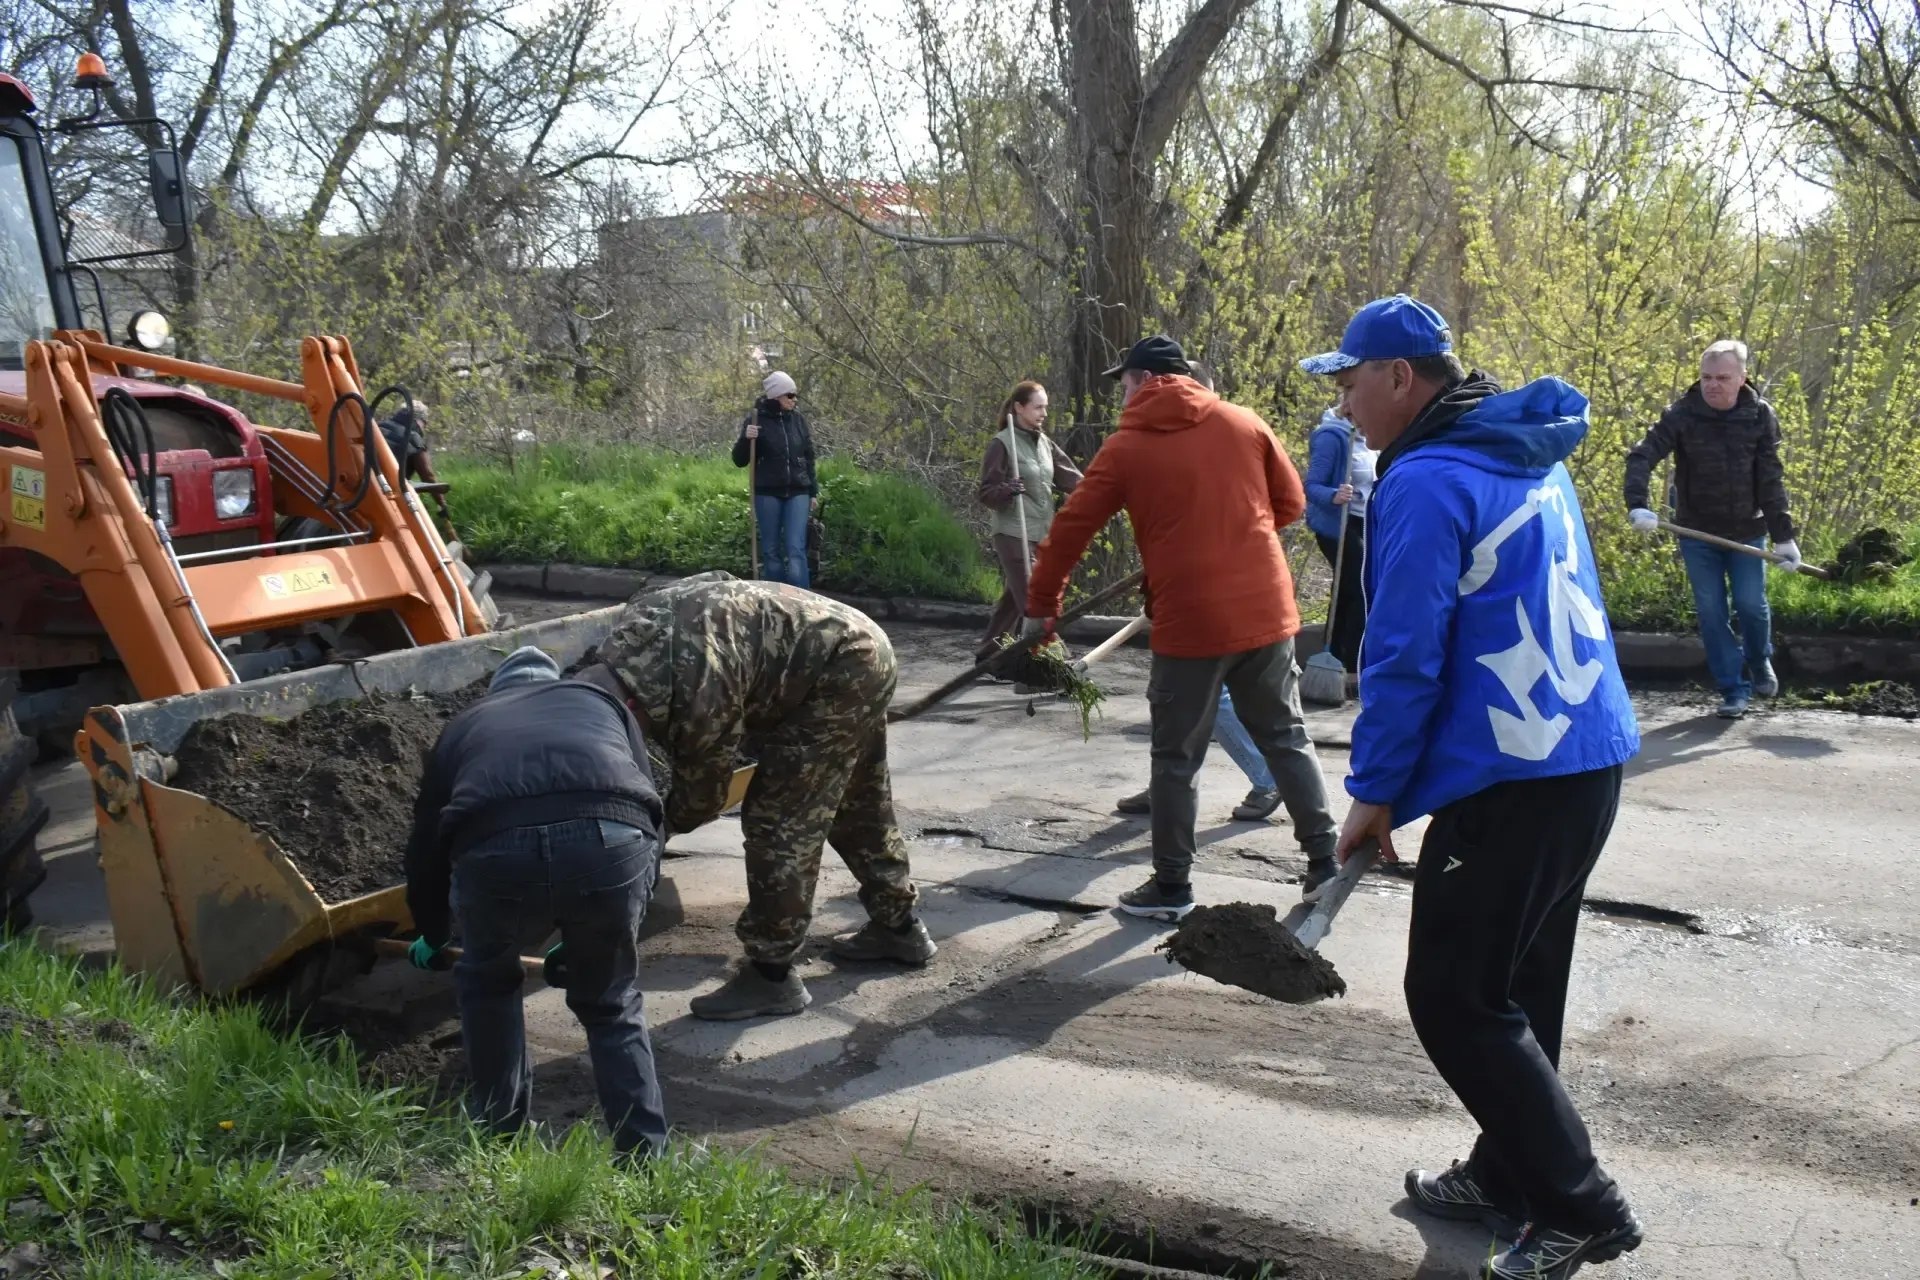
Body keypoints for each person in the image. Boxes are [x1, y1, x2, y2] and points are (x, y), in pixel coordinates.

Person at [1306, 295, 1643, 1279]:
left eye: (1350, 381)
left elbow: (1405, 655)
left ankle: (1582, 1207)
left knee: (1452, 991)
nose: (1341, 405)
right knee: (1519, 982)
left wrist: (1372, 794)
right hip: (1586, 757)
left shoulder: (1424, 478)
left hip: (1518, 777)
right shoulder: (1522, 447)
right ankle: (1508, 1176)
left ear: (1401, 378)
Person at [1024, 335, 1339, 918]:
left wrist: (1043, 608)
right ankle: (1324, 865)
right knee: (1286, 736)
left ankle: (1172, 887)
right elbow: (1291, 504)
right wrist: (1227, 531)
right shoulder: (1244, 423)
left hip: (1192, 620)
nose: (1122, 392)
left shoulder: (1126, 448)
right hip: (1267, 612)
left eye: (1123, 381)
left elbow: (1069, 530)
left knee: (1176, 759)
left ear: (1143, 379)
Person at [581, 571, 934, 1021]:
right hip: (852, 644)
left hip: (837, 669)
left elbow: (706, 793)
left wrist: (656, 827)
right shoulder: (629, 640)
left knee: (780, 820)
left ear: (629, 709)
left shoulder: (696, 686)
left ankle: (771, 975)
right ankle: (899, 928)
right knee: (858, 801)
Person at [404, 645, 668, 1159]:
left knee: (489, 984)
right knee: (611, 1002)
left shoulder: (466, 724)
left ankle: (498, 1141)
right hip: (613, 839)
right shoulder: (599, 700)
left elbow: (426, 848)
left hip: (496, 849)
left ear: (498, 693)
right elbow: (652, 812)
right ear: (554, 682)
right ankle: (644, 1161)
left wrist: (434, 935)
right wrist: (603, 932)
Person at [1109, 362, 1281, 825]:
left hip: (1228, 596)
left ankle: (1267, 778)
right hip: (1195, 591)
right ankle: (1167, 783)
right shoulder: (1186, 437)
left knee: (1215, 697)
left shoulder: (1229, 434)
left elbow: (1274, 508)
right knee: (1171, 696)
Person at [1624, 339, 1798, 719]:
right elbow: (1642, 455)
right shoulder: (1681, 415)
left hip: (1747, 531)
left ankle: (1758, 659)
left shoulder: (1759, 416)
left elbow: (1771, 479)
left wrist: (1784, 537)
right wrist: (1638, 504)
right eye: (1706, 377)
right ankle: (1732, 688)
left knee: (1752, 605)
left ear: (1742, 378)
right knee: (1711, 610)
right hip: (1697, 533)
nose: (1712, 385)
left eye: (1722, 377)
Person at [975, 380, 1083, 663]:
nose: (1044, 413)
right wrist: (1008, 488)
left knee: (1014, 598)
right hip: (1012, 532)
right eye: (1038, 407)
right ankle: (1060, 663)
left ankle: (990, 654)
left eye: (1045, 408)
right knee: (1035, 600)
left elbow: (1072, 478)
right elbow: (986, 493)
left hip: (1039, 532)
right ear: (1019, 407)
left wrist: (1109, 494)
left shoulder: (1045, 444)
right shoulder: (1001, 444)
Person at [1302, 405, 1376, 671]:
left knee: (1347, 589)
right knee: (1359, 587)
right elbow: (1311, 486)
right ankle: (1351, 663)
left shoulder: (1370, 434)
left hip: (1363, 522)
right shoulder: (1331, 437)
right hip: (1337, 524)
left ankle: (1334, 656)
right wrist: (1334, 495)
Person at [732, 371, 819, 588]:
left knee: (795, 548)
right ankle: (776, 601)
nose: (794, 399)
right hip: (767, 492)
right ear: (777, 396)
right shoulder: (755, 420)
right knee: (771, 550)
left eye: (795, 395)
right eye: (790, 395)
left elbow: (808, 457)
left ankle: (803, 603)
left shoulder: (798, 420)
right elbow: (740, 460)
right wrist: (746, 439)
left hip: (798, 490)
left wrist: (813, 491)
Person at [379, 403, 450, 522]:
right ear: (418, 421)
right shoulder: (412, 437)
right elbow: (427, 475)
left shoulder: (377, 427)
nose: (424, 428)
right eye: (425, 423)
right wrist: (442, 503)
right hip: (389, 493)